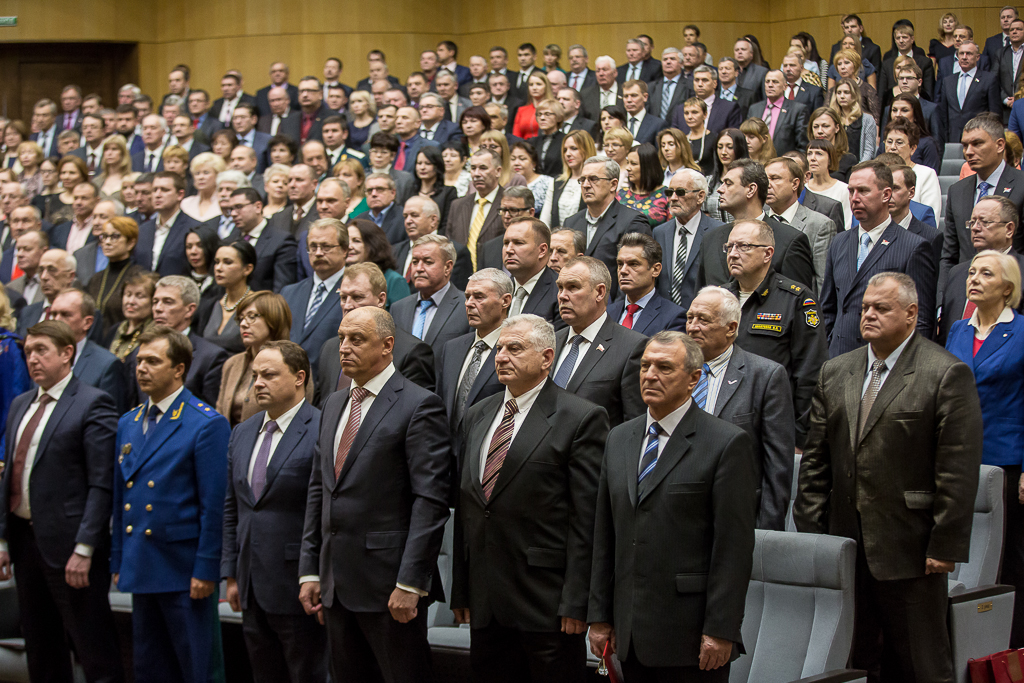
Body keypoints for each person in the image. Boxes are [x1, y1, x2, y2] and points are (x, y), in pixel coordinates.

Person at [795, 272, 983, 682]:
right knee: (855, 660)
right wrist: (813, 534)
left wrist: (945, 543)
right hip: (844, 542)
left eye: (882, 308)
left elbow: (958, 469)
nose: (869, 315)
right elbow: (815, 462)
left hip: (911, 547)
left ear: (912, 314)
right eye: (865, 308)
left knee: (920, 664)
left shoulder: (945, 373)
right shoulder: (835, 371)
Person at [588, 330, 757, 680]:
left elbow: (733, 548)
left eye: (664, 367)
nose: (650, 375)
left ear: (695, 378)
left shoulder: (726, 443)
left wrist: (721, 629)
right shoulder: (619, 438)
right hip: (629, 632)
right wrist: (600, 616)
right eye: (645, 365)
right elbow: (605, 535)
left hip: (691, 636)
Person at [451, 313, 608, 682]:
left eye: (515, 348)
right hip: (487, 599)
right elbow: (468, 508)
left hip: (546, 602)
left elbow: (588, 519)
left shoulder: (581, 418)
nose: (502, 356)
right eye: (500, 348)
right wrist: (462, 589)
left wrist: (578, 600)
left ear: (547, 357)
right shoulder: (478, 414)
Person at [298, 305, 450, 683]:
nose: (344, 347)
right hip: (336, 582)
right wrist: (310, 569)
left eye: (357, 339)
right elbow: (320, 489)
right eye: (342, 338)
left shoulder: (418, 405)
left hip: (389, 585)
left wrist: (412, 582)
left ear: (387, 346)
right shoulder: (333, 403)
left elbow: (429, 501)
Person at [0, 319, 123, 683]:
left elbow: (102, 484)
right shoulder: (21, 404)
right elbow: (11, 477)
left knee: (93, 647)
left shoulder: (92, 402)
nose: (33, 360)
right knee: (41, 646)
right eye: (28, 353)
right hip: (25, 542)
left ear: (67, 353)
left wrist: (85, 547)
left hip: (71, 546)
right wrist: (4, 539)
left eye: (42, 351)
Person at [113, 326, 231, 683]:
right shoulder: (128, 423)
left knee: (197, 668)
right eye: (139, 361)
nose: (141, 368)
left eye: (153, 361)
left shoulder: (205, 423)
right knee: (150, 668)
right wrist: (119, 558)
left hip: (182, 568)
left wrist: (207, 569)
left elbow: (215, 505)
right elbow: (122, 499)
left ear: (179, 368)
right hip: (142, 560)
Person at [222, 340, 327, 683]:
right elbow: (232, 507)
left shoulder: (322, 428)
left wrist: (318, 576)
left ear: (299, 377)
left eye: (268, 375)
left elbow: (325, 510)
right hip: (251, 580)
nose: (258, 383)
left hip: (297, 582)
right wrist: (232, 573)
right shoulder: (242, 432)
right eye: (255, 375)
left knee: (306, 673)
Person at [945, 249, 1024, 646]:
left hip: (1004, 458)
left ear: (1007, 288)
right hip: (958, 457)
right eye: (971, 271)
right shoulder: (958, 330)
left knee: (1007, 556)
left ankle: (1010, 645)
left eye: (985, 274)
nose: (973, 278)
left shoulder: (1023, 331)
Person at [685, 286, 794, 530]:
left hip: (736, 518)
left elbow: (777, 466)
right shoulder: (673, 372)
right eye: (690, 318)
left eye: (703, 320)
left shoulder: (765, 376)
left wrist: (767, 532)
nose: (692, 327)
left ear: (731, 328)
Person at [722, 219, 827, 449]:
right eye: (729, 247)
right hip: (721, 422)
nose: (733, 254)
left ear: (768, 253)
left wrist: (801, 436)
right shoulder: (718, 298)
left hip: (772, 427)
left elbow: (810, 371)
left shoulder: (796, 299)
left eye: (744, 246)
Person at [821, 161, 937, 358]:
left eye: (863, 191)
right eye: (851, 191)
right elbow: (828, 309)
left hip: (886, 360)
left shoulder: (913, 247)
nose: (855, 198)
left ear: (886, 194)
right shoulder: (839, 242)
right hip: (839, 360)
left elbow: (922, 320)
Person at [313, 262, 435, 405]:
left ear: (381, 299)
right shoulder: (329, 348)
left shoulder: (411, 352)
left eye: (357, 297)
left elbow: (414, 411)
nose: (347, 306)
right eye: (343, 297)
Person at [551, 256, 645, 426]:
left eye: (573, 287)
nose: (562, 296)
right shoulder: (552, 341)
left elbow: (634, 425)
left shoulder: (632, 347)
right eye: (560, 288)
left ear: (600, 292)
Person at [700, 158, 815, 291]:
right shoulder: (710, 239)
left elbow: (798, 301)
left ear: (751, 189)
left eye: (728, 183)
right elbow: (700, 296)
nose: (719, 189)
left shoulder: (789, 240)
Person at [435, 268, 512, 440]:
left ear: (505, 301)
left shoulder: (515, 350)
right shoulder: (452, 348)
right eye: (467, 296)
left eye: (479, 297)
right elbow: (440, 407)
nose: (469, 303)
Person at [944, 116, 1024, 281]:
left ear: (1000, 145)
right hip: (965, 290)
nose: (969, 152)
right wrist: (942, 302)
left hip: (1012, 288)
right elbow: (949, 255)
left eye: (977, 143)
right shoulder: (957, 191)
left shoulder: (1022, 185)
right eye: (965, 145)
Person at [563, 156, 652, 301]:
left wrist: (617, 313)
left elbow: (635, 276)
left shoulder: (632, 222)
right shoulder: (571, 223)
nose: (586, 185)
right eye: (583, 179)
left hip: (612, 311)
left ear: (613, 184)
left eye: (593, 179)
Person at [280, 218, 348, 375]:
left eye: (326, 247)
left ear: (344, 249)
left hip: (330, 383)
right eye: (313, 247)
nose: (318, 253)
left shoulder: (354, 294)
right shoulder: (289, 293)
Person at [654, 168, 724, 312]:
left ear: (700, 196)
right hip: (664, 320)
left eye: (680, 192)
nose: (673, 198)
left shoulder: (719, 232)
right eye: (669, 192)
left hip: (701, 317)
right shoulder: (660, 232)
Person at [764, 156, 837, 293]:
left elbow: (823, 282)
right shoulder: (757, 221)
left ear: (795, 184)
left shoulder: (820, 225)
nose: (767, 184)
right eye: (765, 179)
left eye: (775, 178)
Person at [391, 233, 470, 358]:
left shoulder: (467, 307)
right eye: (415, 262)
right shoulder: (398, 308)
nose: (419, 268)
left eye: (428, 262)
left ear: (448, 267)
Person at [607, 232, 686, 335]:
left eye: (633, 264)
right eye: (620, 264)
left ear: (655, 270)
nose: (623, 270)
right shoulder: (607, 313)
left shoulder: (673, 317)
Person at [88, 215, 144, 338]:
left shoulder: (138, 277)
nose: (107, 242)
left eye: (115, 236)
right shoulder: (96, 279)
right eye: (104, 236)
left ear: (131, 243)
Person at [938, 41, 1001, 143]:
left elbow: (994, 113)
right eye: (961, 53)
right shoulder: (948, 81)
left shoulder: (988, 79)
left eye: (969, 53)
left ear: (977, 57)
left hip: (979, 136)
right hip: (953, 138)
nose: (964, 57)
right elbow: (944, 113)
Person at [882, 117, 942, 220]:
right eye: (889, 141)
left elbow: (931, 216)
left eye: (899, 142)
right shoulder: (877, 174)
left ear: (913, 148)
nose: (892, 147)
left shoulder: (926, 174)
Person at [203, 240, 255, 354]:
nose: (218, 268)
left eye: (227, 262)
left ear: (247, 269)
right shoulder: (210, 305)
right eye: (217, 262)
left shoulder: (259, 306)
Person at [347, 218, 411, 308]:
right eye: (346, 241)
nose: (349, 246)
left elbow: (402, 318)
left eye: (356, 241)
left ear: (373, 244)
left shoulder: (394, 281)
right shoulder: (344, 278)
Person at [805, 139, 854, 229]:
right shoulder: (803, 189)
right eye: (809, 153)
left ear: (830, 160)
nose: (812, 158)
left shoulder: (843, 189)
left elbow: (847, 224)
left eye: (819, 154)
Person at [110, 271, 158, 360]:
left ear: (153, 301)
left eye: (139, 296)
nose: (131, 301)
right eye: (128, 295)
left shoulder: (156, 333)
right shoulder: (114, 330)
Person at [704, 129, 747, 222]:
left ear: (739, 148)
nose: (723, 152)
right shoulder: (708, 181)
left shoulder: (750, 180)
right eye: (720, 147)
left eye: (730, 147)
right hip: (715, 233)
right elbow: (705, 216)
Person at [832, 78, 877, 162]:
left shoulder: (867, 119)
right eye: (839, 93)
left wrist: (857, 170)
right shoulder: (832, 118)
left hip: (859, 168)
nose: (842, 96)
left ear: (854, 94)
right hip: (836, 167)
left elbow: (869, 151)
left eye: (846, 92)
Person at [413, 146, 457, 229]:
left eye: (428, 163)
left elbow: (447, 225)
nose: (422, 167)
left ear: (437, 166)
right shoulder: (410, 191)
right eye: (419, 163)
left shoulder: (449, 192)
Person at [180, 152, 227, 222]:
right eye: (197, 173)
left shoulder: (224, 203)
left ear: (218, 175)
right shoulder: (186, 203)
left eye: (206, 172)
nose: (201, 177)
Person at [95, 135, 132, 200]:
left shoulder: (132, 179)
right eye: (106, 149)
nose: (109, 153)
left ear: (123, 153)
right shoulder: (97, 181)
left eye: (114, 149)